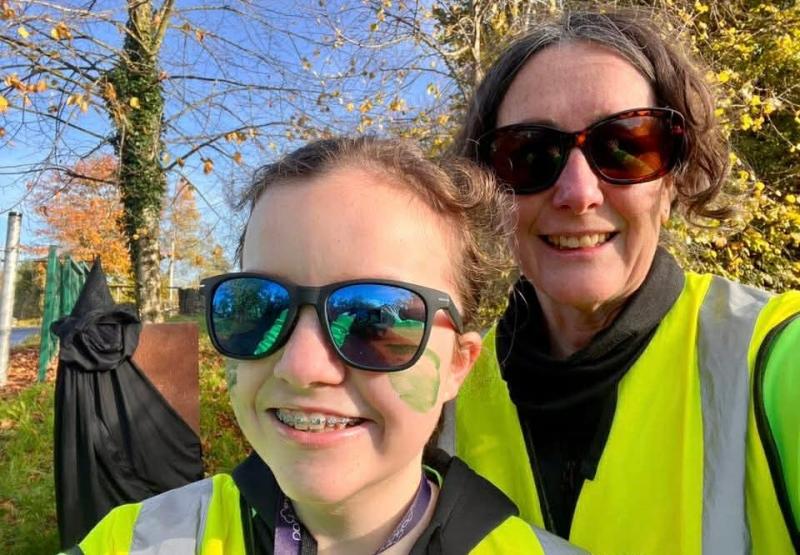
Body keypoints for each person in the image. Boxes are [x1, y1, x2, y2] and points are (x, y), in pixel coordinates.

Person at [63, 137, 584, 554]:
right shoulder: (133, 541)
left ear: (458, 365)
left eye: (374, 319)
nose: (301, 365)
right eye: (259, 307)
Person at [449, 7, 800, 554]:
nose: (578, 193)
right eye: (530, 154)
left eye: (626, 145)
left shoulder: (774, 357)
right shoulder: (438, 399)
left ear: (675, 177)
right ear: (492, 190)